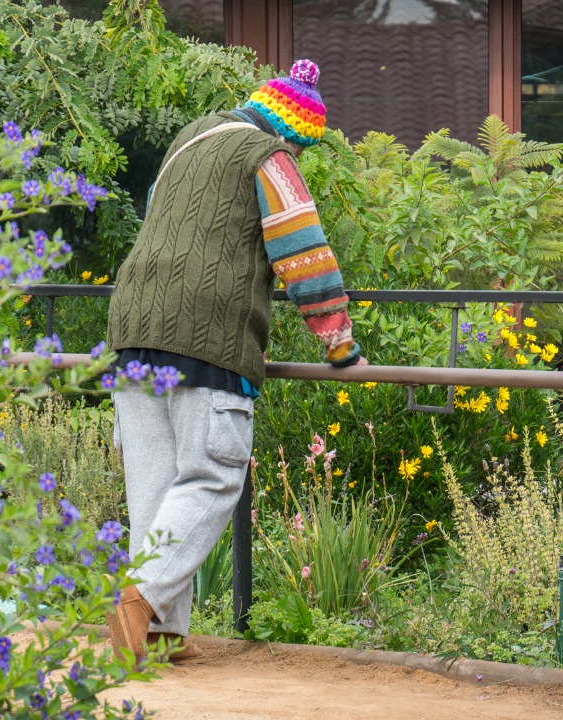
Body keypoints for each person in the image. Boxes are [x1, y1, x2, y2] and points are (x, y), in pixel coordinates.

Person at [104, 59, 364, 664]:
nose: (296, 151)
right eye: (300, 143)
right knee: (213, 475)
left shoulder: (189, 139)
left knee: (155, 485)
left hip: (134, 325)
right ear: (289, 131)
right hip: (209, 336)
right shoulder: (268, 158)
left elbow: (159, 222)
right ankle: (139, 600)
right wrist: (337, 337)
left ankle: (162, 634)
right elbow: (302, 246)